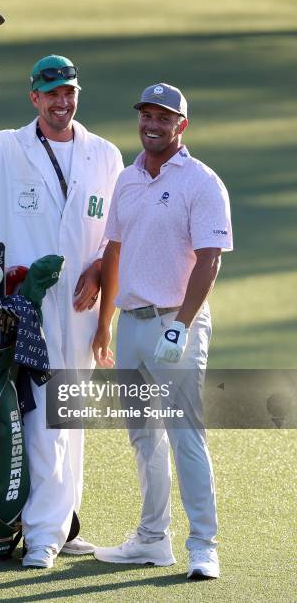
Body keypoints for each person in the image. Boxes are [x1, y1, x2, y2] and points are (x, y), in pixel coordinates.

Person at [0, 53, 123, 568]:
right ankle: (43, 534)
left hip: (83, 307)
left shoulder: (106, 155)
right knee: (44, 416)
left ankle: (65, 524)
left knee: (72, 418)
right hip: (28, 306)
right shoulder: (4, 149)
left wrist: (97, 274)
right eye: (51, 93)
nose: (61, 101)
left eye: (68, 91)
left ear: (76, 94)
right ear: (34, 98)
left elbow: (113, 234)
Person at [92, 83, 233, 579]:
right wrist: (105, 323)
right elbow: (114, 250)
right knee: (142, 438)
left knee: (184, 435)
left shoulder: (202, 181)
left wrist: (181, 325)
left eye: (163, 117)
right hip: (131, 324)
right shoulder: (128, 180)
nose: (152, 124)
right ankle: (152, 539)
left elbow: (209, 260)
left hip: (178, 322)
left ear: (181, 126)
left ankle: (204, 546)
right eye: (146, 115)